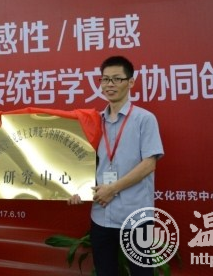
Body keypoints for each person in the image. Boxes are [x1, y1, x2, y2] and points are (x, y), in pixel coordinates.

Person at [69, 55, 164, 276]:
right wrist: (75, 189)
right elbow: (83, 163)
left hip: (134, 216)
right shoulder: (93, 121)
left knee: (142, 273)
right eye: (105, 79)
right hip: (101, 215)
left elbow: (149, 164)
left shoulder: (144, 119)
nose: (109, 85)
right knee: (105, 271)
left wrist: (112, 189)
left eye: (116, 79)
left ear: (131, 82)